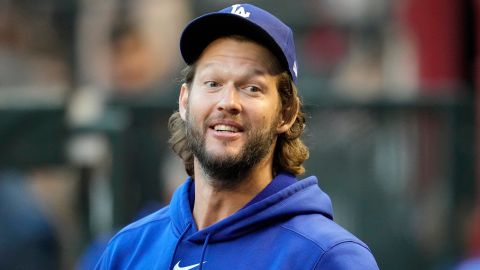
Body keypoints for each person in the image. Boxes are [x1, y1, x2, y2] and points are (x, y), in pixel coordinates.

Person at [95, 3, 379, 269]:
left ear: (287, 113)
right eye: (213, 83)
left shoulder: (329, 257)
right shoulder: (127, 250)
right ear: (184, 101)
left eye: (252, 88)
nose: (227, 101)